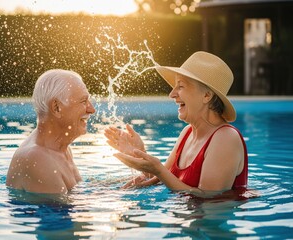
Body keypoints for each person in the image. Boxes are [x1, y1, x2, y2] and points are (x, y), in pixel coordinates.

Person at [104, 51, 248, 195]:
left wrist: (158, 169)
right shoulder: (187, 133)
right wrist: (139, 153)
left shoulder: (226, 138)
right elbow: (162, 179)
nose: (172, 94)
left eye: (181, 86)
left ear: (206, 95)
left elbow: (209, 199)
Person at [6, 69, 96, 194]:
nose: (91, 109)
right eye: (83, 101)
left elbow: (78, 191)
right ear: (56, 107)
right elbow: (64, 209)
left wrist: (133, 177)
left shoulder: (59, 148)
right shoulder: (37, 158)